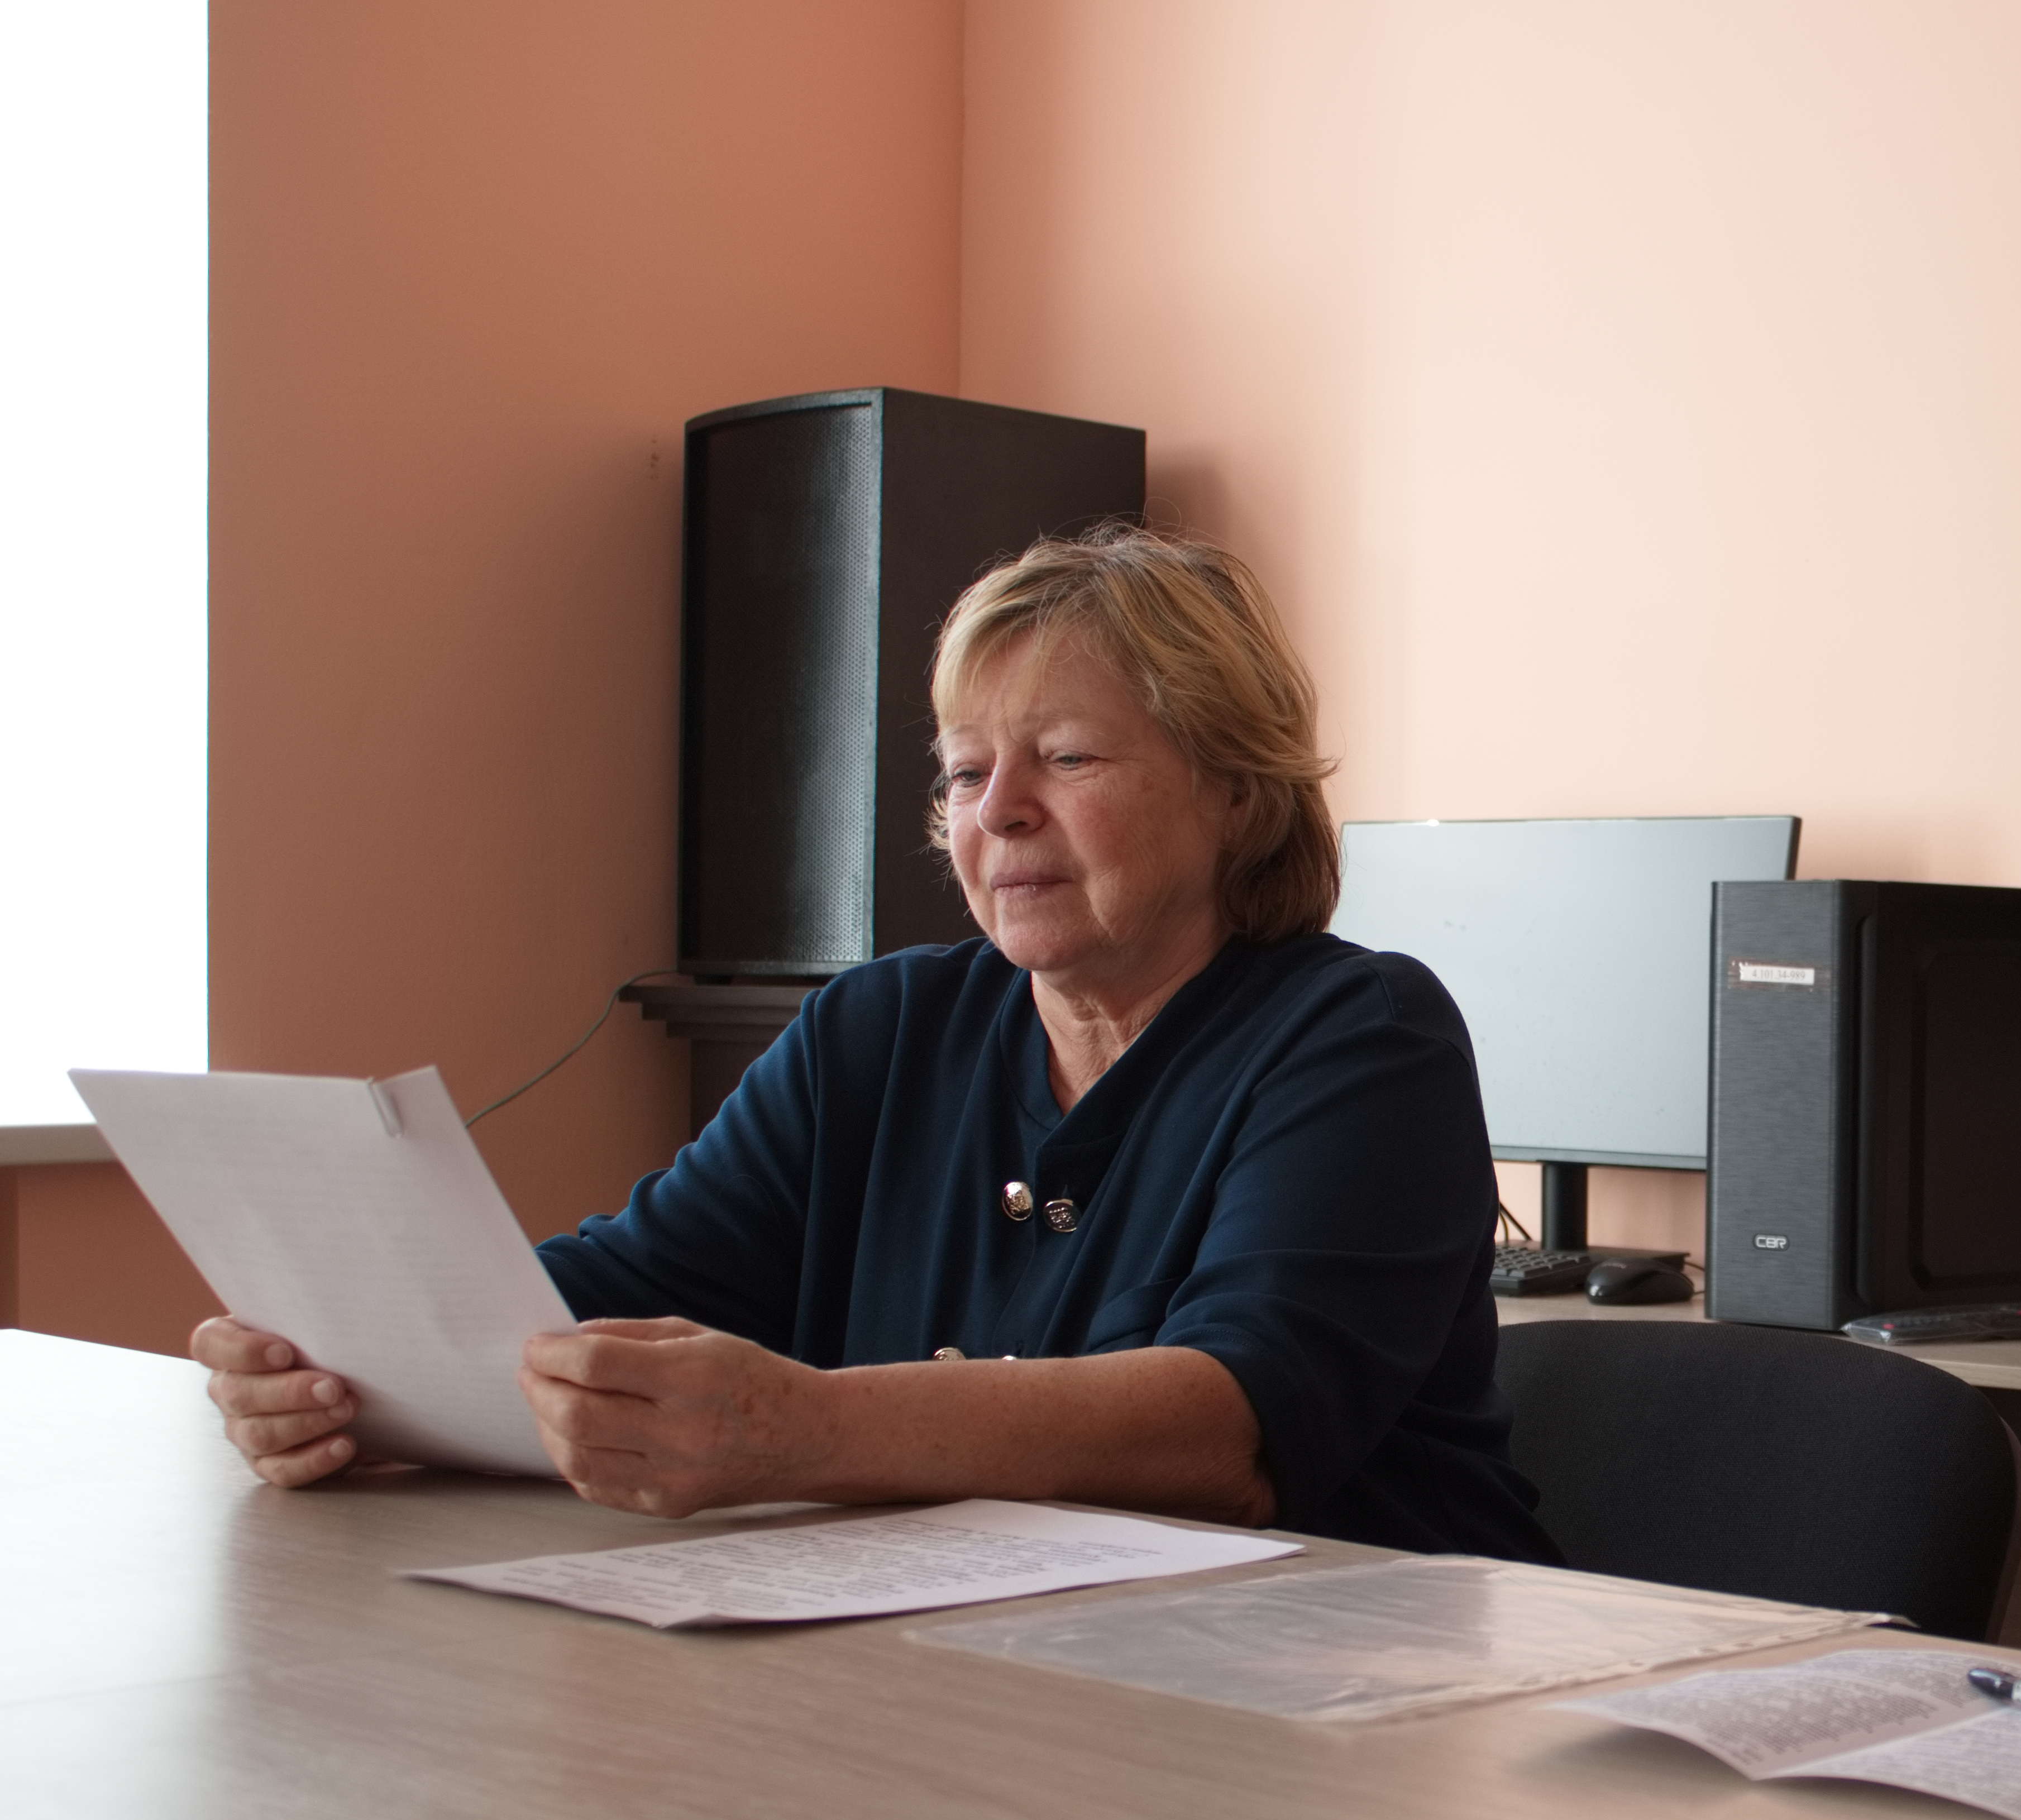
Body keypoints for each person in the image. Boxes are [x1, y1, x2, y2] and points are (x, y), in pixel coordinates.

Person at [193, 526, 1558, 1561]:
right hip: (978, 1673)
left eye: (1067, 757)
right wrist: (343, 1367)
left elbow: (1229, 1431)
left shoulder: (1360, 1037)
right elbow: (618, 1288)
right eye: (966, 769)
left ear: (1237, 794)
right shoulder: (883, 1025)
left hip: (1344, 1703)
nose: (997, 810)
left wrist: (797, 1427)